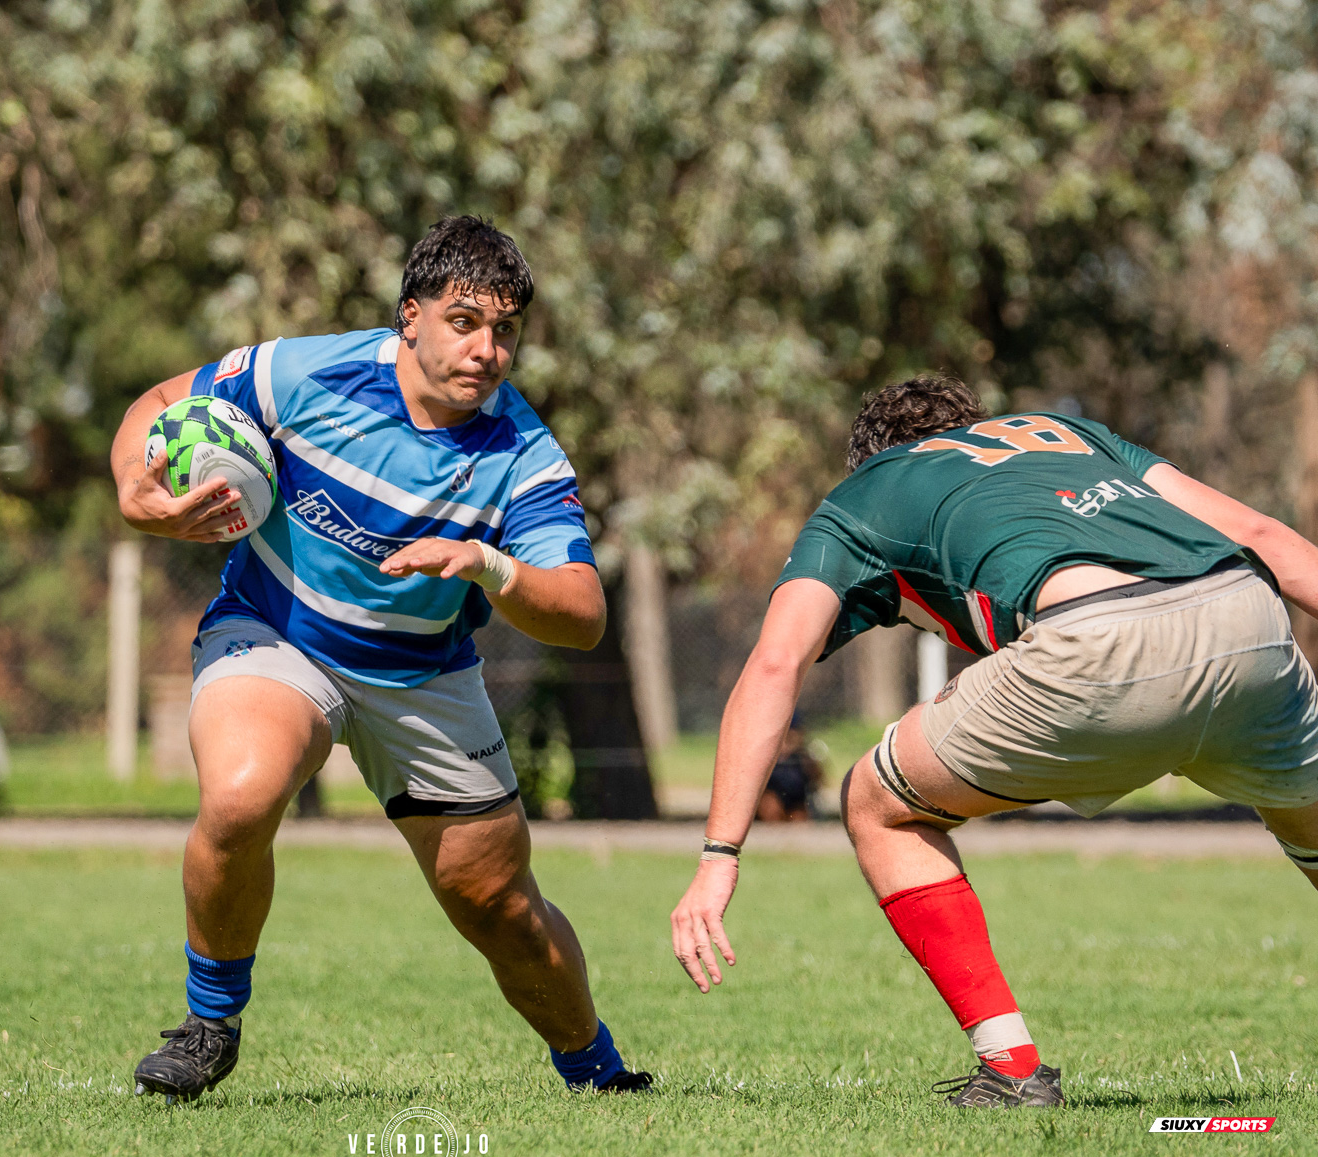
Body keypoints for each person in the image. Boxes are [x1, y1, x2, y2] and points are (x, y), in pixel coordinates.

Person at [112, 216, 651, 1101]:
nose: (486, 349)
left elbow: (583, 614)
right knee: (242, 795)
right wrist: (137, 487)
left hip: (424, 677)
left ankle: (597, 1072)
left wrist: (489, 563)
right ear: (411, 316)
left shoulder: (522, 455)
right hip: (276, 632)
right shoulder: (306, 372)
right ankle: (209, 1023)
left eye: (505, 330)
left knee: (500, 909)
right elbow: (161, 404)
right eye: (464, 321)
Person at [670, 375, 1318, 1108]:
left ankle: (1011, 1072)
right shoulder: (1066, 434)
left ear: (870, 459)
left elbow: (775, 665)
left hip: (1096, 642)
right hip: (1249, 618)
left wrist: (718, 856)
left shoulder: (864, 495)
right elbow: (1264, 536)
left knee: (878, 804)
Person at [756, 713, 820, 823]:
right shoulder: (765, 756)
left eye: (791, 736)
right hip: (771, 793)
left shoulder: (802, 757)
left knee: (799, 817)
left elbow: (818, 780)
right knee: (771, 808)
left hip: (796, 797)